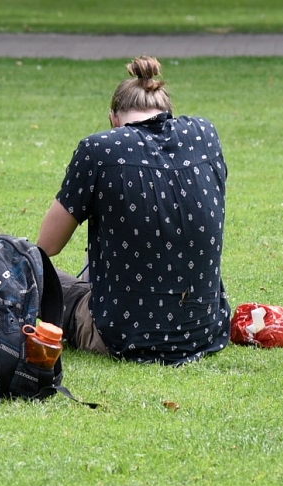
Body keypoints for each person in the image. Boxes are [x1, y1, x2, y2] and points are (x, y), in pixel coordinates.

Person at [37, 56, 231, 365]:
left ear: (113, 118)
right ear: (168, 113)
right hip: (206, 330)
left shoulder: (99, 149)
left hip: (124, 335)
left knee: (39, 279)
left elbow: (46, 247)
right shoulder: (204, 135)